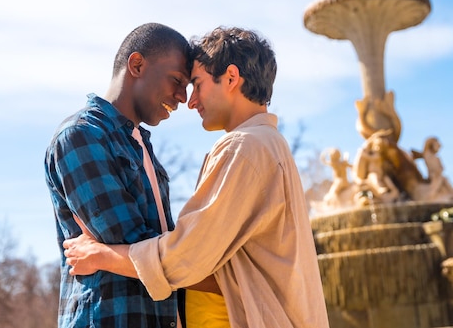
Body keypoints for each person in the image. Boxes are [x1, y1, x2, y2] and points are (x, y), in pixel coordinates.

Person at [63, 26, 331, 328]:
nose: (189, 101)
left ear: (230, 78)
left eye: (197, 84)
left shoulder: (244, 148)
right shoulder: (268, 145)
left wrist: (102, 255)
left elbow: (186, 258)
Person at [45, 22, 199, 328]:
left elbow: (156, 255)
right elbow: (138, 246)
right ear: (137, 65)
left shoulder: (139, 144)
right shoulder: (81, 136)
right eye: (178, 80)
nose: (183, 97)